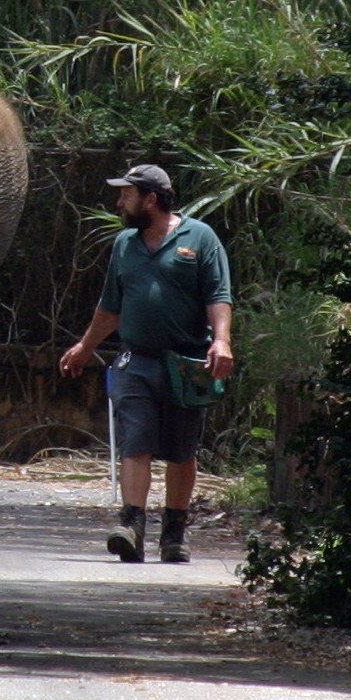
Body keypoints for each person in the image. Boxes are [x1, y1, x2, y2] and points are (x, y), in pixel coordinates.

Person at [59, 164, 234, 563]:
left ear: (150, 199)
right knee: (135, 442)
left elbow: (218, 297)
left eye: (126, 195)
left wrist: (221, 341)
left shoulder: (200, 238)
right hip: (135, 361)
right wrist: (86, 346)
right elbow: (111, 307)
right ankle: (131, 526)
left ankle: (174, 533)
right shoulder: (124, 244)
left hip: (187, 364)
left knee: (181, 451)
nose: (120, 203)